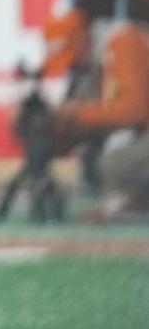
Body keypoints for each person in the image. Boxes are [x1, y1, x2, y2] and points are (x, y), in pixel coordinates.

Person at [52, 17, 149, 221]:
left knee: (114, 163)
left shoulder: (122, 44)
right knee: (105, 157)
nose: (73, 66)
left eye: (72, 58)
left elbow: (135, 110)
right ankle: (122, 206)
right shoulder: (99, 59)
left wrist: (79, 112)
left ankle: (128, 205)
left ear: (83, 42)